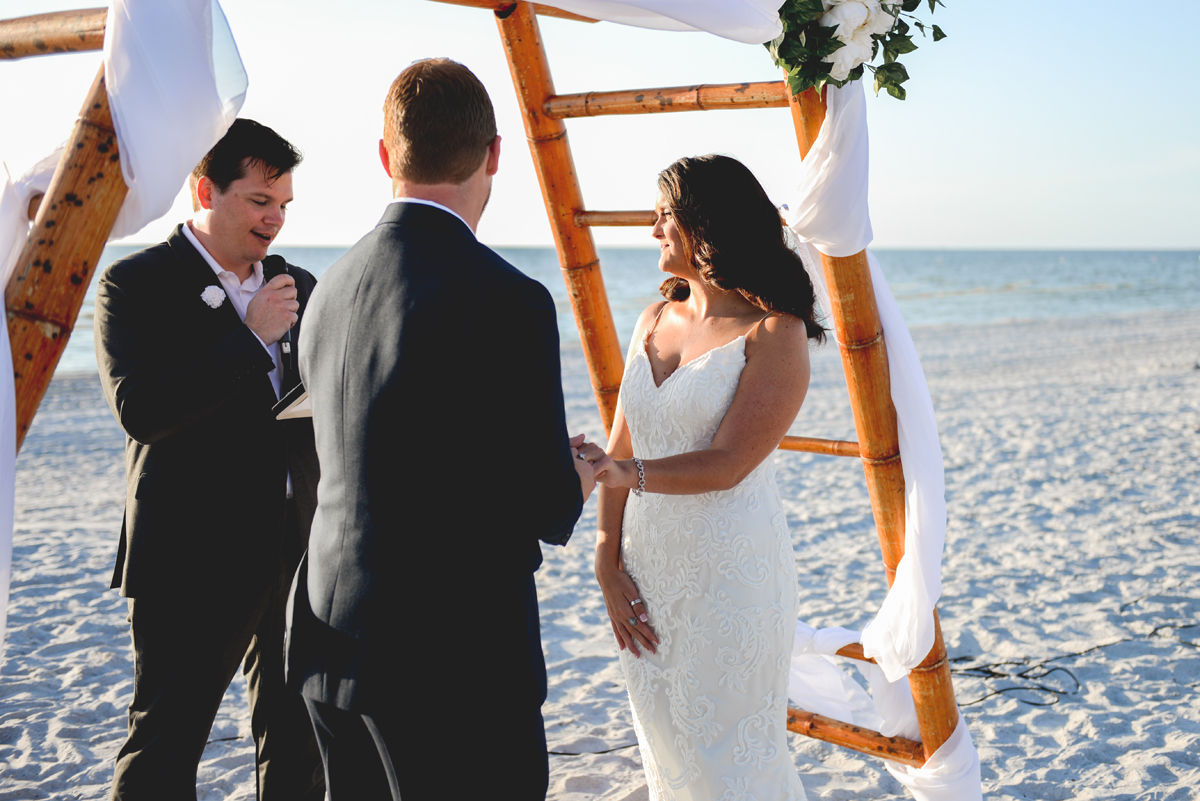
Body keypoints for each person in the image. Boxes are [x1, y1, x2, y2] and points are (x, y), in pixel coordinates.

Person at [285, 58, 604, 801]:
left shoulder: (326, 288)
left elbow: (381, 439)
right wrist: (579, 472)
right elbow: (548, 504)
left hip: (329, 628)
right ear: (494, 154)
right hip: (453, 658)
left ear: (385, 154)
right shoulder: (509, 299)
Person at [94, 119, 324, 801]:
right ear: (205, 190)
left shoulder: (298, 281)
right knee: (165, 744)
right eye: (260, 201)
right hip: (191, 553)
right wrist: (251, 340)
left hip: (296, 548)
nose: (275, 218)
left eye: (283, 203)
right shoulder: (134, 283)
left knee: (296, 742)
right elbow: (141, 408)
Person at [592, 154, 826, 799]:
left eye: (664, 213)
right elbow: (622, 438)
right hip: (645, 570)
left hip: (731, 575)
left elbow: (729, 464)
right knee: (666, 747)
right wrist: (607, 559)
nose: (652, 227)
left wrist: (618, 471)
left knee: (731, 756)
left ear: (705, 224)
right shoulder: (652, 318)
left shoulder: (775, 332)